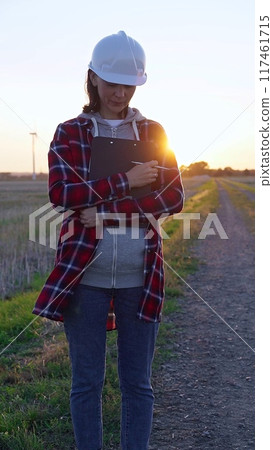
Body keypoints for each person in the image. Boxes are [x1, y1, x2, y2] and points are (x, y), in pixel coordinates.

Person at [33, 31, 184, 450]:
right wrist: (128, 181)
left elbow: (173, 196)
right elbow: (62, 194)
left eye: (128, 84)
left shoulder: (154, 131)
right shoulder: (70, 132)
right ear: (93, 79)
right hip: (86, 275)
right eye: (112, 82)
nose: (120, 92)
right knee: (87, 383)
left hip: (142, 275)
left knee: (138, 383)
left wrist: (104, 210)